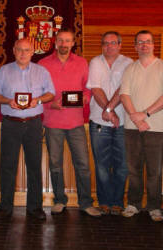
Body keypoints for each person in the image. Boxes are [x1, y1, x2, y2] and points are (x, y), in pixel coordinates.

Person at [0, 38, 55, 220]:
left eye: (27, 50)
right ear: (13, 50)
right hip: (11, 123)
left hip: (33, 123)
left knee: (34, 166)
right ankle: (5, 208)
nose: (23, 53)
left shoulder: (41, 71)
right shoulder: (4, 71)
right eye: (19, 50)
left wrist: (38, 100)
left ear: (32, 52)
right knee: (7, 166)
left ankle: (35, 208)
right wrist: (8, 101)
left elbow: (51, 93)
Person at [39, 28, 101, 217]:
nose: (64, 44)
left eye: (68, 41)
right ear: (55, 42)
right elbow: (38, 92)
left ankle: (85, 202)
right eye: (61, 40)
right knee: (55, 164)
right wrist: (50, 104)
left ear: (73, 43)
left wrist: (85, 98)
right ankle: (59, 200)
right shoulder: (43, 64)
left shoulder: (82, 63)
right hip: (52, 122)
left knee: (82, 163)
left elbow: (87, 89)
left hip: (75, 123)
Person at [120, 30, 163, 222]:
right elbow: (124, 95)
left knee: (154, 170)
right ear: (135, 46)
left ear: (153, 45)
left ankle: (154, 207)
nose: (144, 45)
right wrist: (137, 119)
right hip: (131, 127)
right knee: (133, 168)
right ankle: (133, 204)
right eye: (140, 42)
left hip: (156, 128)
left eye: (148, 42)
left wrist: (145, 114)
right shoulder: (130, 69)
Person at [87, 31, 132, 215]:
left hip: (123, 122)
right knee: (102, 165)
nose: (109, 46)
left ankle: (117, 202)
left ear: (120, 45)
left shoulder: (128, 63)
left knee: (122, 165)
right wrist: (108, 111)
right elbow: (96, 89)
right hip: (98, 121)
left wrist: (109, 110)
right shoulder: (95, 62)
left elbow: (124, 89)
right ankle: (104, 201)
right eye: (105, 43)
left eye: (113, 43)